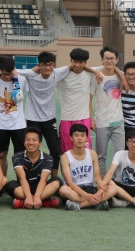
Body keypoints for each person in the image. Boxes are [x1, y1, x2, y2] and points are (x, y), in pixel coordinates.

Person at [17, 51, 100, 179]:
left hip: (49, 119)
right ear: (39, 65)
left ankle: (54, 179)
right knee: (31, 149)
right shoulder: (31, 74)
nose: (48, 67)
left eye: (50, 65)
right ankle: (29, 178)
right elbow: (11, 71)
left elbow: (75, 65)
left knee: (56, 150)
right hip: (33, 119)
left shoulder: (57, 74)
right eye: (44, 65)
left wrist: (95, 72)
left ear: (54, 65)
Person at [59, 123, 116, 210]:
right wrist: (86, 195)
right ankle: (97, 203)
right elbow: (69, 182)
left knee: (113, 189)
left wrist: (101, 188)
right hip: (74, 189)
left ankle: (80, 205)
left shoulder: (92, 154)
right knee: (63, 190)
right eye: (76, 135)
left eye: (82, 135)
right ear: (71, 138)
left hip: (90, 188)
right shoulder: (65, 157)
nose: (79, 138)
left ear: (86, 138)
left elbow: (97, 177)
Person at [4, 127, 62, 210]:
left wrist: (37, 196)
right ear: (24, 142)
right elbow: (22, 177)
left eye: (34, 140)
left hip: (41, 188)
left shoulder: (48, 158)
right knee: (9, 185)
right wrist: (28, 196)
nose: (31, 143)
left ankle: (24, 202)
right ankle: (44, 202)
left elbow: (43, 179)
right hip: (23, 188)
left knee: (57, 181)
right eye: (27, 140)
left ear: (40, 143)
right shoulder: (16, 157)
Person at [91, 46, 128, 174]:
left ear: (117, 60)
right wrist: (91, 119)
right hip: (101, 122)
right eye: (106, 58)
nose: (109, 61)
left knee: (120, 154)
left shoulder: (120, 76)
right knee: (101, 155)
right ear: (102, 60)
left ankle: (117, 181)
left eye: (112, 58)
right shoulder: (96, 77)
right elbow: (89, 99)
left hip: (118, 121)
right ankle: (101, 181)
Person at [0, 56, 28, 176]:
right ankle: (2, 181)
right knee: (1, 155)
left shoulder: (21, 79)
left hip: (19, 125)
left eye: (10, 73)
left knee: (20, 155)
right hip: (1, 125)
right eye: (4, 74)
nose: (7, 77)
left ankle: (21, 182)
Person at [56, 48, 98, 153]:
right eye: (74, 61)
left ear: (85, 63)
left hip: (84, 119)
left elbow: (110, 67)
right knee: (66, 152)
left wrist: (91, 120)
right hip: (66, 119)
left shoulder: (90, 75)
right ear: (70, 60)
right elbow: (50, 72)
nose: (77, 65)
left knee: (85, 153)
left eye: (81, 62)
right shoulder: (61, 75)